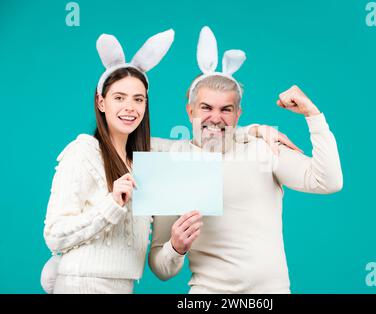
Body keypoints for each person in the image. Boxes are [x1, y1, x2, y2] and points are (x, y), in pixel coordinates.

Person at [148, 26, 343, 294]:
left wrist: (312, 114)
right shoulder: (173, 163)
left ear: (238, 114)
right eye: (206, 108)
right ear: (190, 110)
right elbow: (161, 269)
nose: (215, 117)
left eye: (225, 110)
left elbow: (328, 181)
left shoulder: (262, 149)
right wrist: (175, 247)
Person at [42, 30, 175, 293]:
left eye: (138, 99)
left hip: (123, 285)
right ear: (101, 103)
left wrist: (253, 132)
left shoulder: (144, 162)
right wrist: (112, 204)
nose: (130, 107)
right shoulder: (83, 152)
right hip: (83, 285)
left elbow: (201, 144)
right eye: (119, 97)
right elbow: (55, 236)